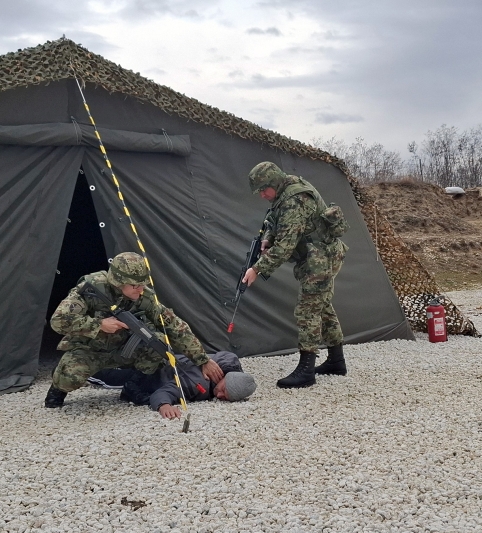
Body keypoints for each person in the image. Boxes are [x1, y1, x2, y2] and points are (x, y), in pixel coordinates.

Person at [45, 252, 223, 407]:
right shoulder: (91, 289)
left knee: (158, 344)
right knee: (70, 376)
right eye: (135, 285)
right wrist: (99, 325)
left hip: (125, 348)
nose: (140, 289)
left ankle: (133, 388)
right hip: (91, 349)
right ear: (118, 282)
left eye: (142, 284)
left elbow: (175, 326)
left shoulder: (144, 297)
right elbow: (58, 321)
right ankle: (58, 387)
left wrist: (202, 360)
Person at [242, 161, 348, 388]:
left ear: (273, 182)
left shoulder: (294, 200)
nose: (262, 195)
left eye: (263, 190)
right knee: (323, 306)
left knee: (308, 310)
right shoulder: (285, 190)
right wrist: (268, 236)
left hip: (320, 258)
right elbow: (274, 220)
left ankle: (306, 370)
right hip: (316, 255)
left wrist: (256, 269)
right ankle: (336, 361)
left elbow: (285, 248)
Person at [99, 351, 257, 419]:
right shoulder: (198, 382)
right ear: (224, 378)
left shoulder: (226, 364)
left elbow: (231, 357)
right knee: (100, 377)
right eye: (223, 390)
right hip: (144, 376)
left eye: (225, 398)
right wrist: (163, 405)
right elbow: (164, 392)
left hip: (155, 360)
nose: (220, 395)